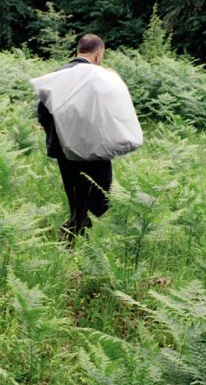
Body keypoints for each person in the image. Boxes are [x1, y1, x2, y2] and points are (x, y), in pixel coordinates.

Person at [34, 33, 141, 243]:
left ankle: (72, 235)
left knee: (76, 197)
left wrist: (61, 137)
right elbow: (109, 113)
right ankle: (72, 236)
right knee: (102, 198)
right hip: (96, 150)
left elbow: (42, 114)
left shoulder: (57, 75)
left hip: (65, 152)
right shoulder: (101, 78)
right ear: (99, 54)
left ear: (78, 50)